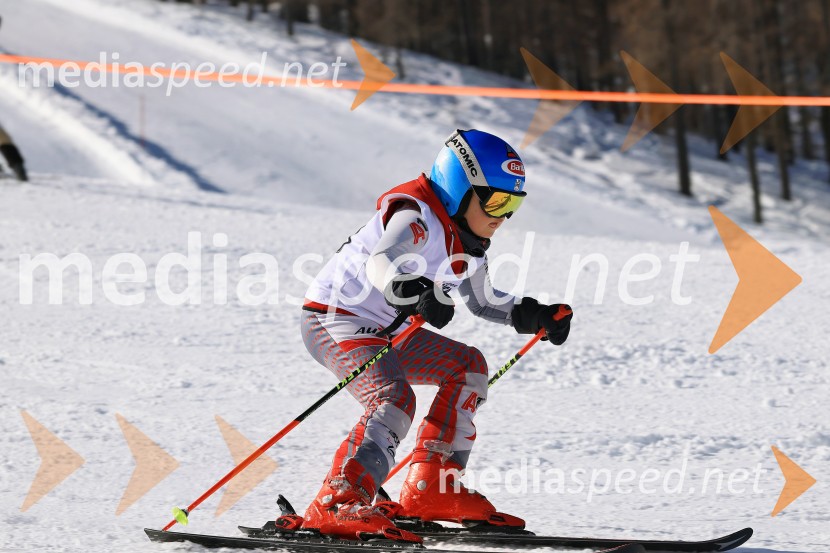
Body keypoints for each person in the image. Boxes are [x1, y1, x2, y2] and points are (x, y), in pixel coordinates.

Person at [290, 129, 573, 542]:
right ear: (460, 190)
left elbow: (484, 301)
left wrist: (535, 314)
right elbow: (382, 261)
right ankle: (338, 501)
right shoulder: (416, 216)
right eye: (494, 200)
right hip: (337, 319)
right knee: (393, 397)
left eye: (512, 205)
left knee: (468, 367)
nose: (502, 216)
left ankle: (432, 487)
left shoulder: (470, 243)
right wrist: (412, 291)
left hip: (391, 333)